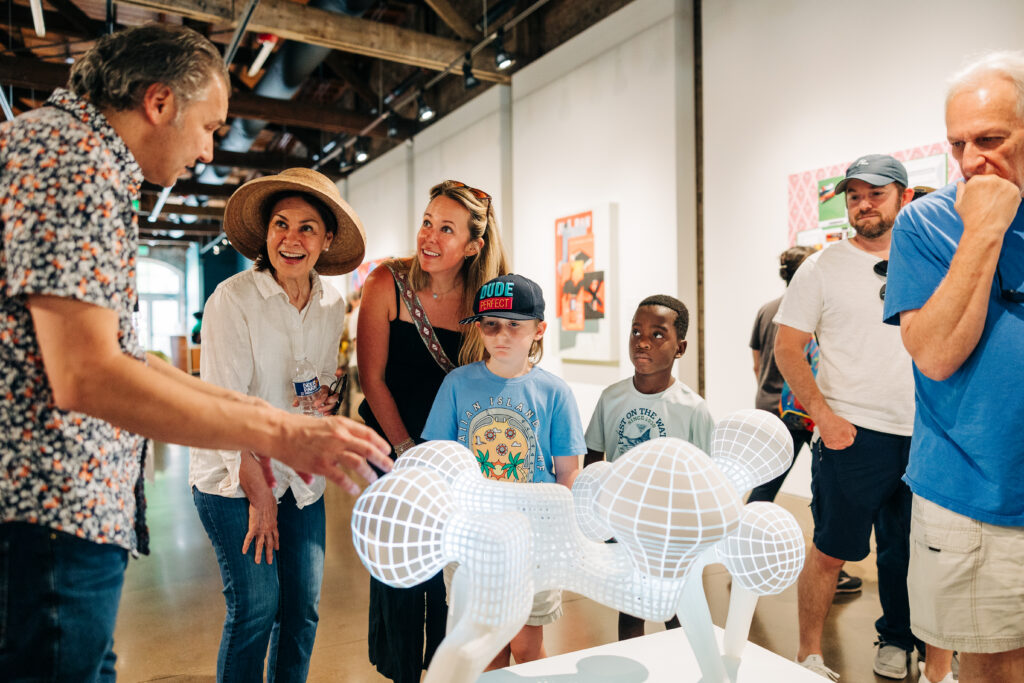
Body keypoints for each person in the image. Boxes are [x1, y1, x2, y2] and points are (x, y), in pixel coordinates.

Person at [0, 25, 390, 681]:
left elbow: (120, 357)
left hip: (66, 521)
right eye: (209, 126)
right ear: (159, 103)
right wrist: (277, 431)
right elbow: (86, 374)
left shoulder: (79, 160)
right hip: (48, 517)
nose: (210, 151)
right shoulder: (74, 161)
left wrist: (290, 428)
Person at [189, 168, 364, 681]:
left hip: (299, 477)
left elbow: (317, 383)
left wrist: (325, 399)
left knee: (302, 612)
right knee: (257, 611)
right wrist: (259, 493)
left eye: (308, 227)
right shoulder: (232, 300)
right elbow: (226, 406)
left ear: (326, 240)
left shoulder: (332, 302)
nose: (292, 238)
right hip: (233, 475)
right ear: (266, 234)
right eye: (281, 224)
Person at [884, 51, 1024, 683]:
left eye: (991, 140)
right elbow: (936, 355)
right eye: (958, 144)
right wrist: (983, 234)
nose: (971, 162)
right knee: (993, 669)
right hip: (973, 499)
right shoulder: (928, 222)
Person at [775, 154, 923, 680]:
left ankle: (900, 640)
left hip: (924, 435)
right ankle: (809, 653)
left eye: (875, 194)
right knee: (831, 551)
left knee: (907, 554)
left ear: (903, 197)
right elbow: (788, 348)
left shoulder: (929, 256)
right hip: (852, 435)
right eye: (854, 195)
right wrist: (823, 417)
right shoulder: (821, 267)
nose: (863, 204)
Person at [359, 180, 509, 683]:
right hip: (391, 448)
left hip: (456, 457)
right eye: (428, 222)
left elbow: (496, 378)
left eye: (447, 229)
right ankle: (401, 671)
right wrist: (407, 453)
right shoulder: (388, 283)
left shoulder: (484, 299)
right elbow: (372, 379)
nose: (430, 236)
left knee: (453, 575)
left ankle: (448, 672)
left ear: (473, 245)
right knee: (402, 571)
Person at [422, 273, 585, 668]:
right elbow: (436, 462)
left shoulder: (554, 392)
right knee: (486, 648)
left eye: (515, 325)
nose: (502, 335)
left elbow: (568, 473)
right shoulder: (457, 385)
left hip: (533, 544)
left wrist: (560, 538)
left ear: (539, 330)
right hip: (472, 541)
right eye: (491, 324)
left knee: (528, 647)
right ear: (479, 327)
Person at [583, 294, 713, 640]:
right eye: (636, 331)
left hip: (673, 532)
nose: (642, 341)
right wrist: (598, 519)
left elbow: (707, 477)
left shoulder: (693, 408)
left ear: (680, 347)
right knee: (631, 608)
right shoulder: (611, 398)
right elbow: (594, 459)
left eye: (658, 334)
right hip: (623, 526)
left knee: (676, 612)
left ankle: (686, 668)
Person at [748, 248, 863, 596]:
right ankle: (829, 567)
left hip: (769, 407)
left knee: (765, 485)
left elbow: (756, 361)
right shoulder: (811, 309)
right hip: (802, 412)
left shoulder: (766, 309)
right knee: (824, 491)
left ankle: (744, 552)